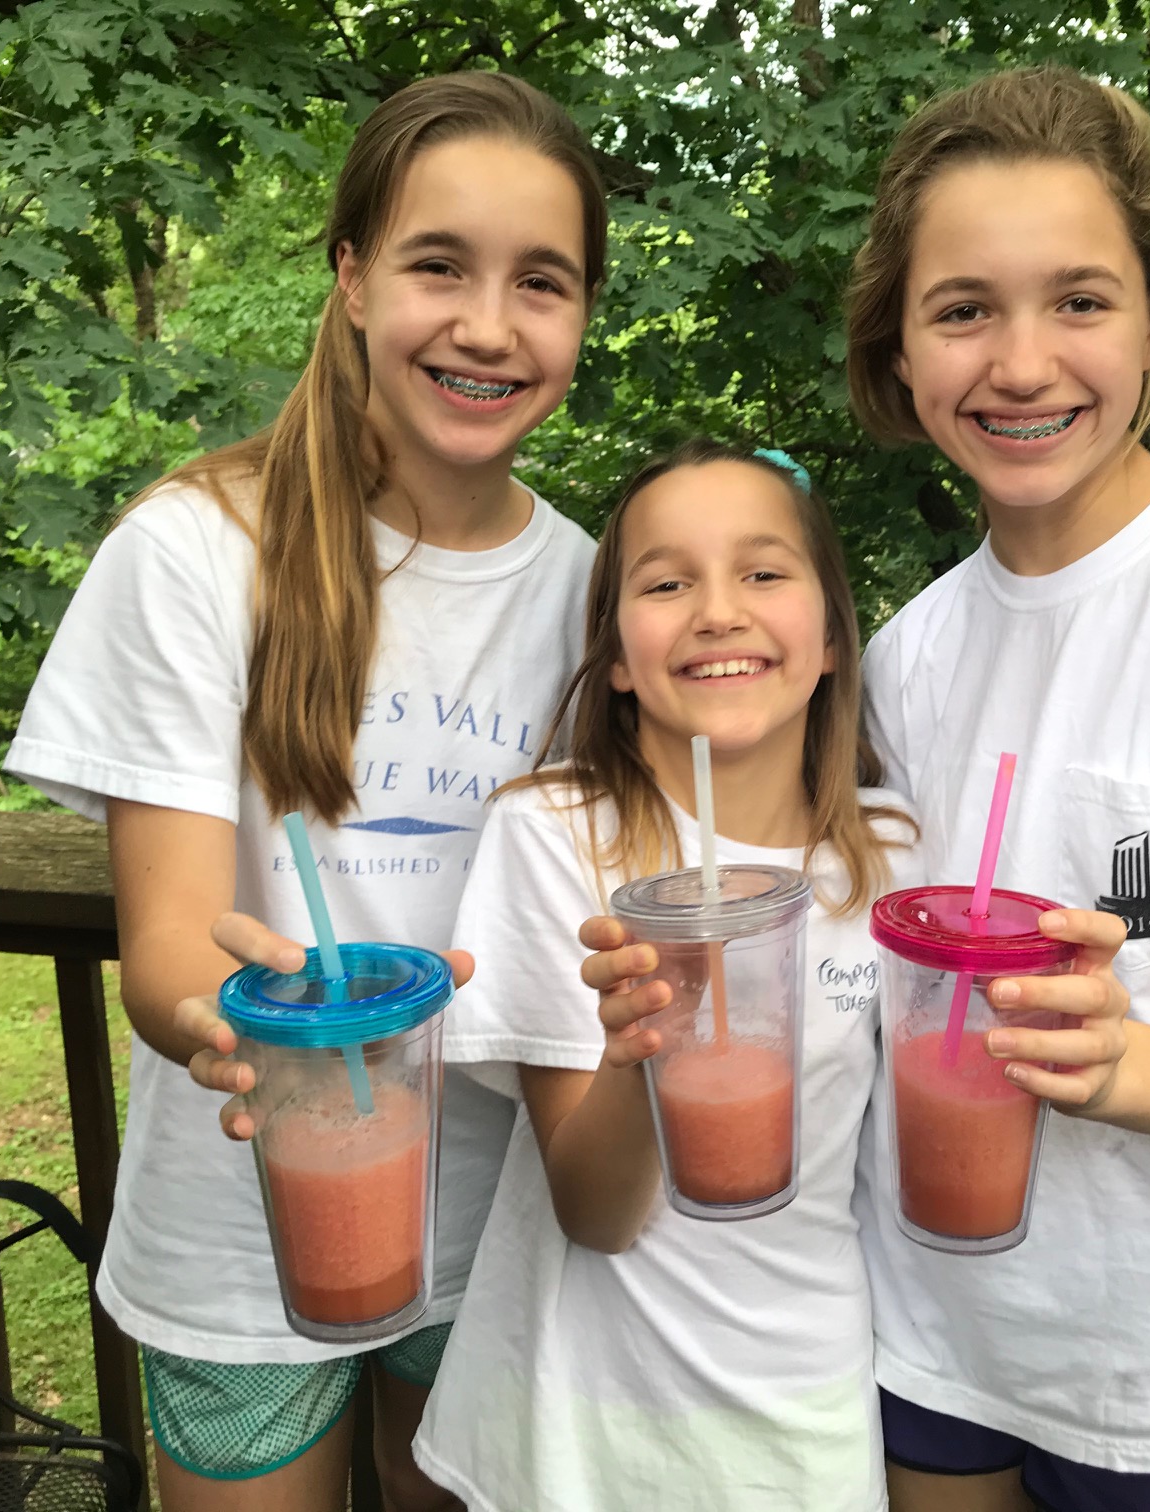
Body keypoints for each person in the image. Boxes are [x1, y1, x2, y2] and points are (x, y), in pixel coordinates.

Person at [583, 66, 1150, 1512]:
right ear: (900, 352)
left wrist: (1122, 1064)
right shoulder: (906, 656)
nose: (1021, 362)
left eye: (1079, 300)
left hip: (1149, 1377)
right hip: (917, 1335)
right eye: (962, 310)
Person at [5, 72, 605, 1512]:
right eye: (438, 265)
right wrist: (229, 1027)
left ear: (584, 315)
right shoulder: (194, 549)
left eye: (541, 281)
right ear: (351, 279)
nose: (488, 325)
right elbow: (166, 944)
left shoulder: (596, 588)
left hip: (493, 1223)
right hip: (237, 1232)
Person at [411, 440, 919, 1512]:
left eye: (763, 571)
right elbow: (595, 1214)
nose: (719, 611)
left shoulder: (892, 854)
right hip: (576, 1423)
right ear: (617, 659)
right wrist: (643, 1043)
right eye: (666, 583)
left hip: (803, 1411)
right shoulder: (558, 834)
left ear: (832, 636)